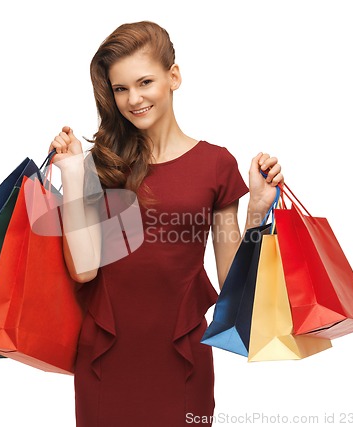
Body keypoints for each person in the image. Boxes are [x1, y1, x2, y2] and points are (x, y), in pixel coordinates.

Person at [49, 21, 283, 427]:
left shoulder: (215, 164)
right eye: (120, 89)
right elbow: (84, 269)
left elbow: (231, 285)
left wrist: (256, 212)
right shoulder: (99, 165)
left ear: (173, 77)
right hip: (106, 355)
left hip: (183, 356)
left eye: (145, 82)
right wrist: (72, 171)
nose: (133, 99)